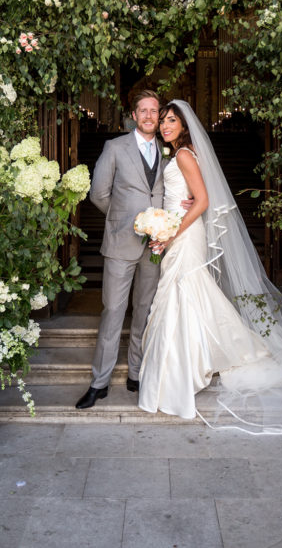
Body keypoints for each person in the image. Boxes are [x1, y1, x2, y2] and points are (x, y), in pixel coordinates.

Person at [138, 100, 282, 422]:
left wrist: (170, 232)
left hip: (185, 236)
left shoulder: (182, 154)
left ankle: (183, 373)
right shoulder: (184, 152)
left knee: (182, 295)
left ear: (183, 125)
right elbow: (195, 196)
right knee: (190, 296)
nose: (165, 126)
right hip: (182, 232)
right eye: (162, 121)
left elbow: (203, 199)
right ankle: (197, 360)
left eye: (170, 121)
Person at [76, 90, 165, 409]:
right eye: (143, 110)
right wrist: (127, 220)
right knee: (113, 311)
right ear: (133, 114)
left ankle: (136, 374)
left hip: (154, 247)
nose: (148, 116)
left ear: (159, 115)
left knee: (144, 312)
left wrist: (160, 227)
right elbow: (98, 193)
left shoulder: (167, 151)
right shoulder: (114, 147)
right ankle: (99, 382)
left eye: (154, 111)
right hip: (120, 243)